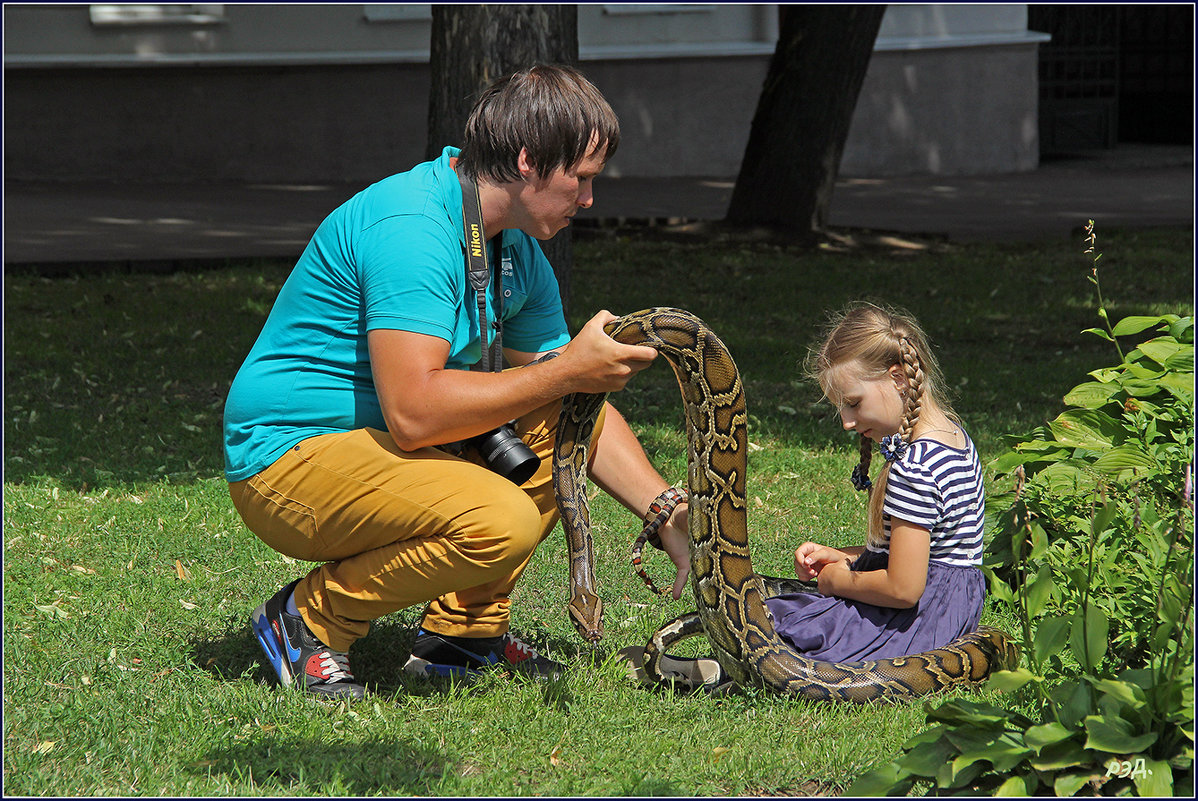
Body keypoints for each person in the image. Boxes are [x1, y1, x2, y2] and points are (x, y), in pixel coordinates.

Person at [223, 64, 691, 701]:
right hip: (291, 456)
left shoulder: (514, 248)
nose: (588, 199)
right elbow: (416, 412)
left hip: (389, 446)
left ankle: (462, 637)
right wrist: (565, 370)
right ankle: (308, 621)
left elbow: (577, 407)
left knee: (568, 411)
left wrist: (669, 513)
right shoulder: (413, 229)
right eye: (580, 178)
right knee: (501, 519)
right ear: (528, 162)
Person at [761, 301, 986, 664]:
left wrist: (839, 581)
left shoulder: (915, 467)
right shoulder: (953, 438)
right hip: (948, 614)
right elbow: (928, 558)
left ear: (898, 379)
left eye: (852, 403)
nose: (847, 422)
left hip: (914, 620)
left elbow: (903, 588)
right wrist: (847, 558)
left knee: (780, 622)